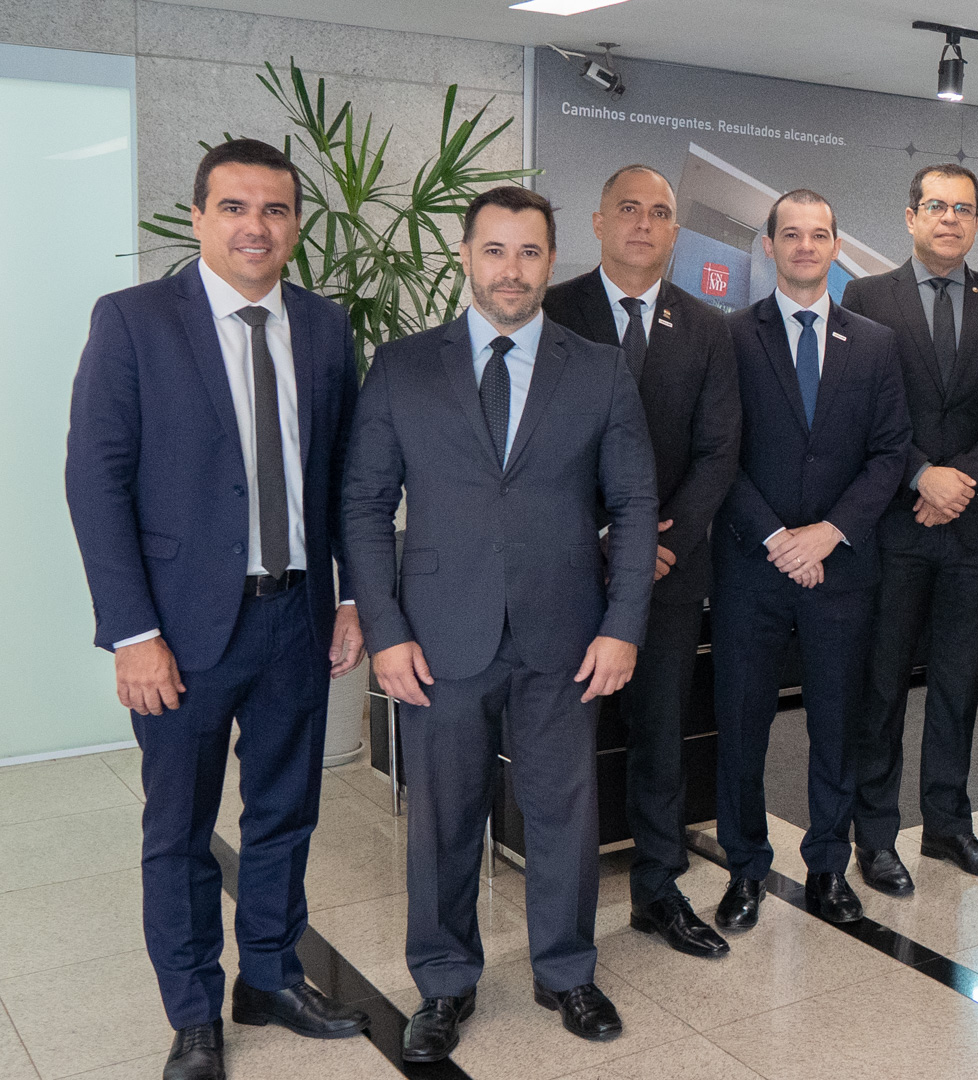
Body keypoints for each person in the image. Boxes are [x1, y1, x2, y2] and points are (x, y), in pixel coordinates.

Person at [66, 138, 371, 1080]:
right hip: (180, 632)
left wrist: (350, 597)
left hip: (296, 618)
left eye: (275, 209)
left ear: (296, 225)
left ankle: (270, 977)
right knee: (180, 831)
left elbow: (345, 475)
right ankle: (195, 1012)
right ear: (198, 216)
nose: (255, 226)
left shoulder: (324, 326)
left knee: (285, 814)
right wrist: (133, 633)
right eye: (234, 207)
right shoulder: (133, 321)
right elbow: (95, 481)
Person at [342, 186, 657, 1059]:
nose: (510, 270)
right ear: (466, 256)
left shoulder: (597, 369)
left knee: (565, 813)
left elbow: (635, 504)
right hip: (438, 636)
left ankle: (566, 971)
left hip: (568, 633)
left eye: (528, 252)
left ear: (551, 259)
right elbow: (364, 505)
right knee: (444, 818)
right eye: (494, 250)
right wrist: (386, 630)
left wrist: (624, 624)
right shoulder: (404, 366)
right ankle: (444, 982)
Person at [542, 164, 743, 958]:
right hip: (567, 568)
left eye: (660, 212)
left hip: (668, 569)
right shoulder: (552, 311)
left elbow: (719, 450)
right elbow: (534, 445)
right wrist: (599, 538)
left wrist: (663, 543)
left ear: (675, 232)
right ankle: (563, 913)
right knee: (565, 746)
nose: (644, 224)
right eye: (628, 208)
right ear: (598, 222)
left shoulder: (708, 327)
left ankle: (659, 891)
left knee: (661, 738)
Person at [710, 189, 912, 928]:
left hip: (842, 569)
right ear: (768, 245)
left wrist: (830, 532)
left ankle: (828, 865)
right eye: (790, 234)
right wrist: (777, 539)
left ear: (835, 246)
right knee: (742, 726)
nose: (804, 246)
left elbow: (890, 453)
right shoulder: (730, 336)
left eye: (818, 235)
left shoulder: (876, 343)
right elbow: (718, 453)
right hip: (750, 568)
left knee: (838, 722)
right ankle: (744, 868)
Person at [842, 164, 978, 892]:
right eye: (936, 206)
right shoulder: (867, 297)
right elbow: (860, 405)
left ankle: (949, 826)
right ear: (911, 216)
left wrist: (960, 481)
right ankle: (875, 836)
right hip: (894, 523)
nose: (949, 218)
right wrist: (922, 474)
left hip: (972, 528)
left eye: (963, 208)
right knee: (883, 688)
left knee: (959, 684)